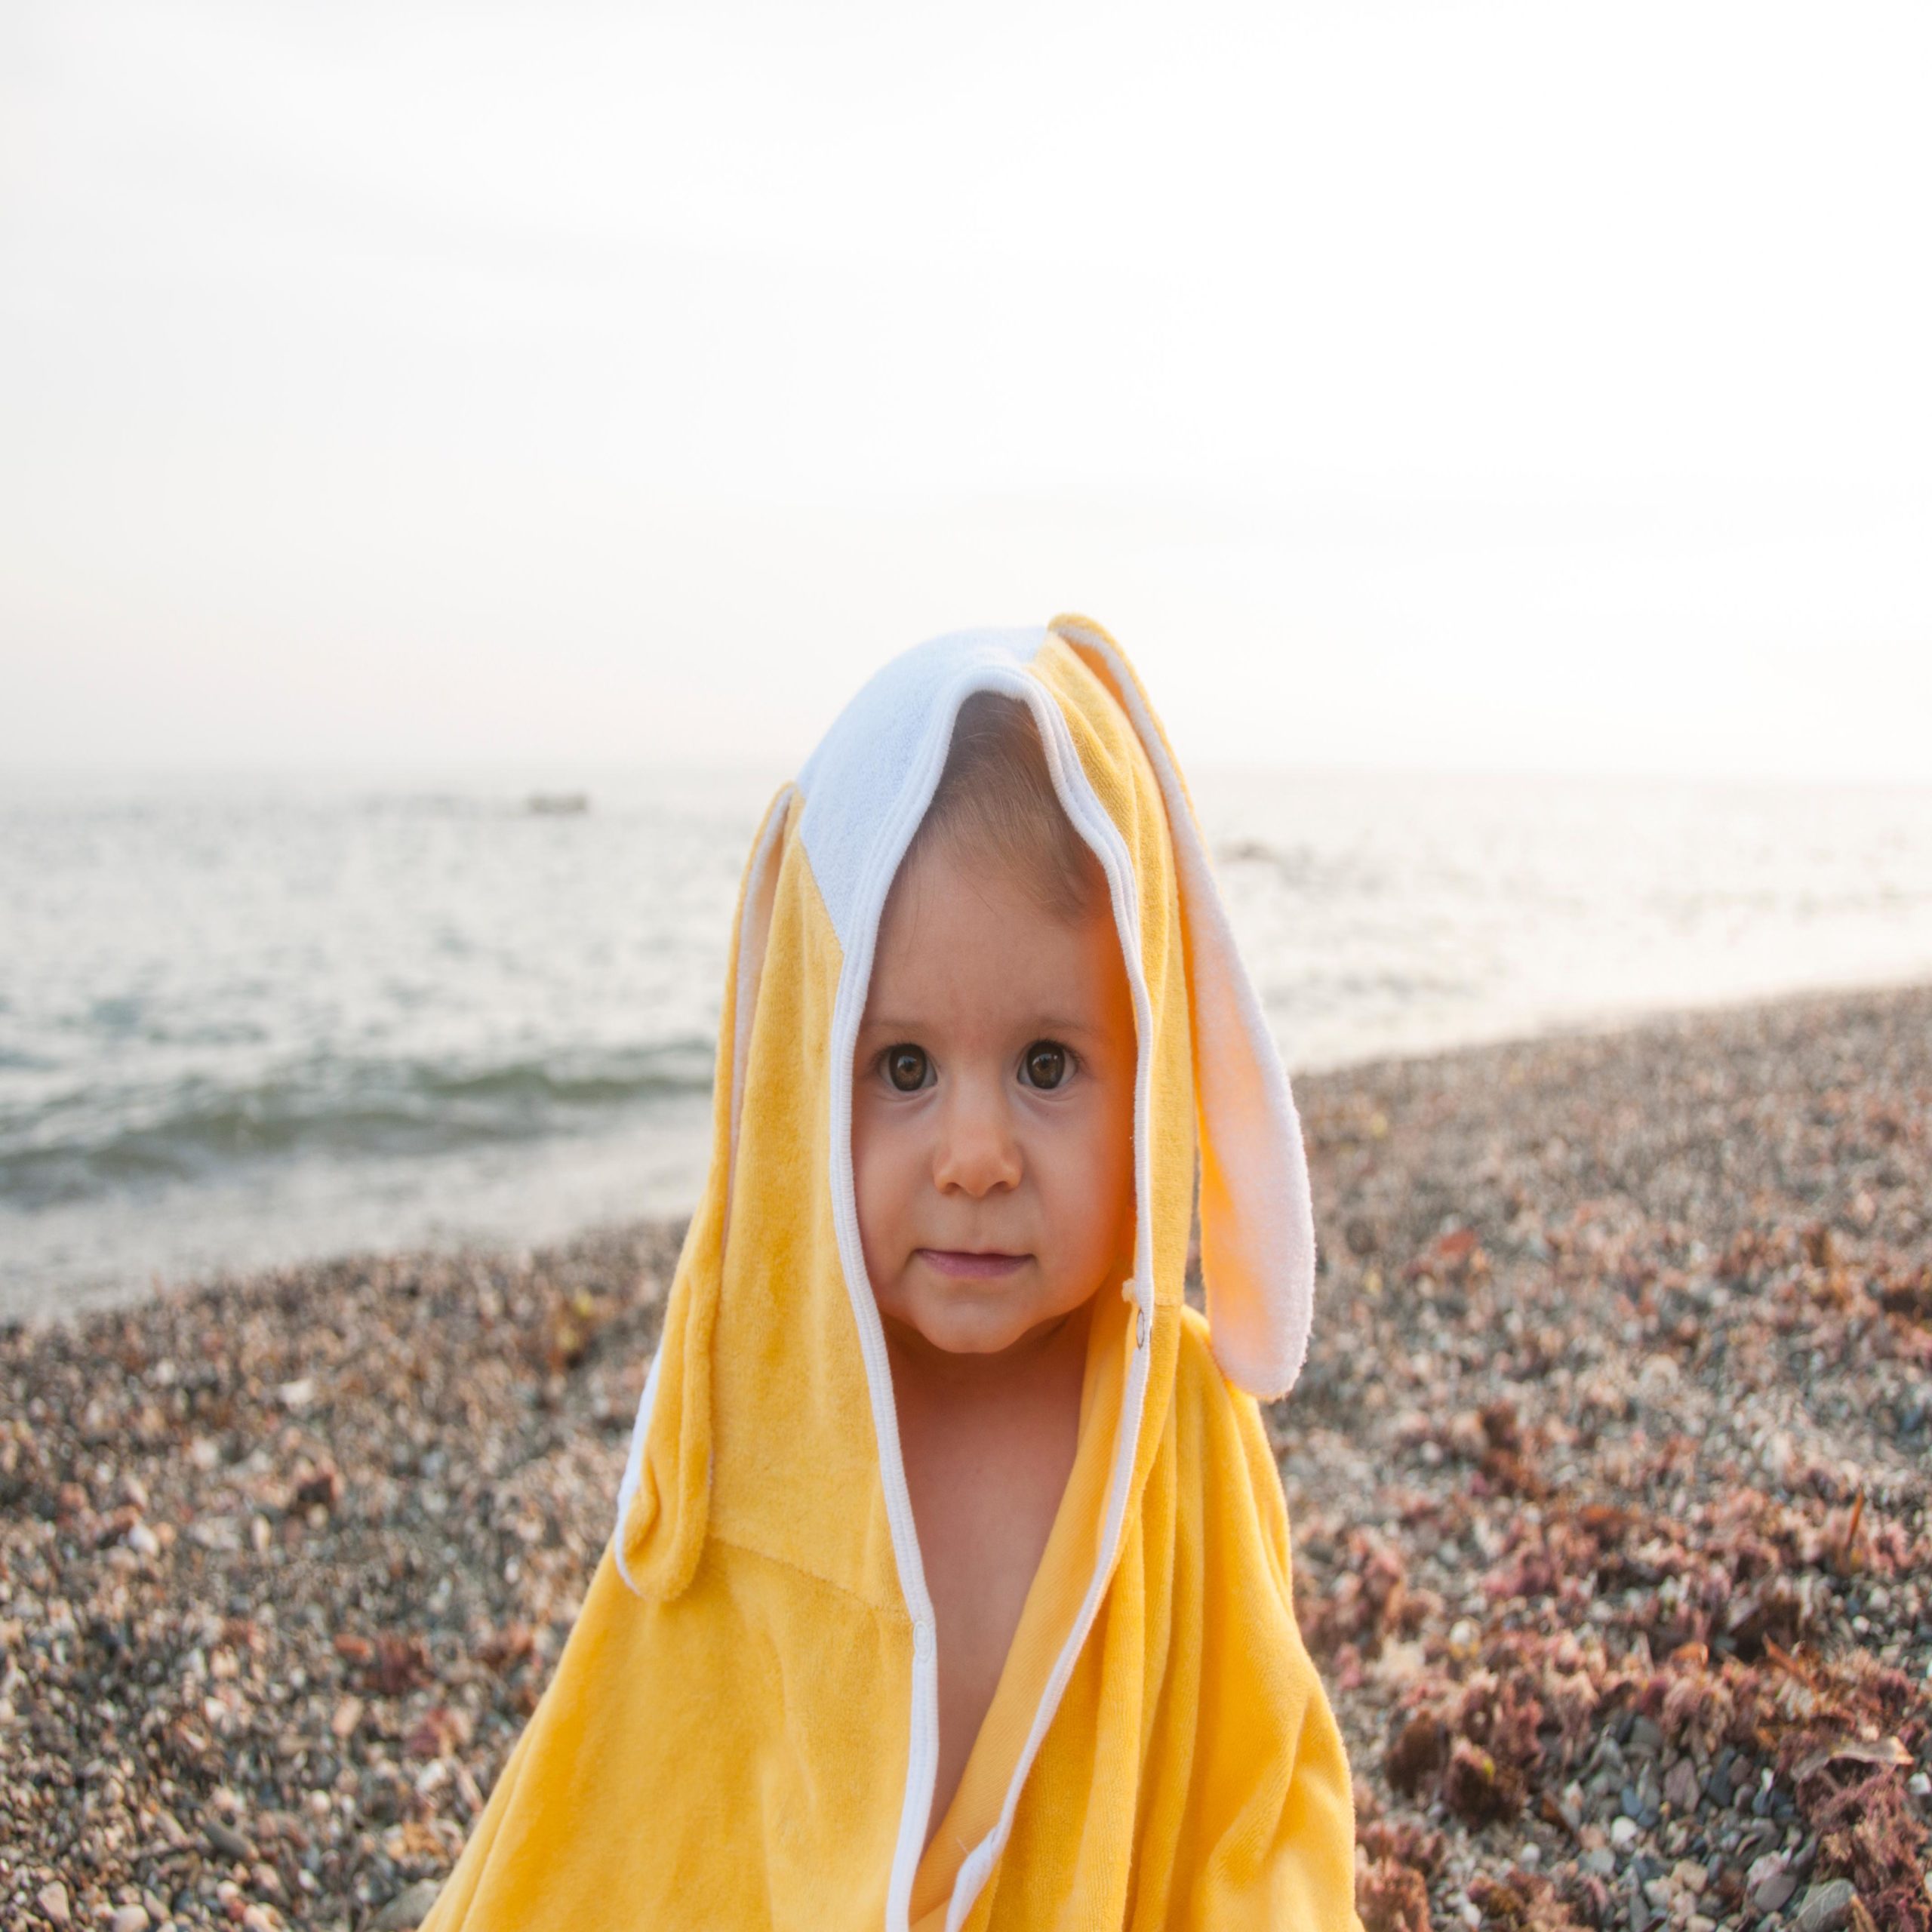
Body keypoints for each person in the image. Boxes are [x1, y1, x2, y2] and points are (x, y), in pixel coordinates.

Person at [420, 618, 1361, 1930]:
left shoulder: (1181, 1436)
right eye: (903, 1069)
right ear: (803, 1082)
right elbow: (638, 1804)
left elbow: (1254, 1797)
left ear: (1153, 1081)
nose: (976, 1158)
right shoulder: (756, 1434)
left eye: (1048, 1065)